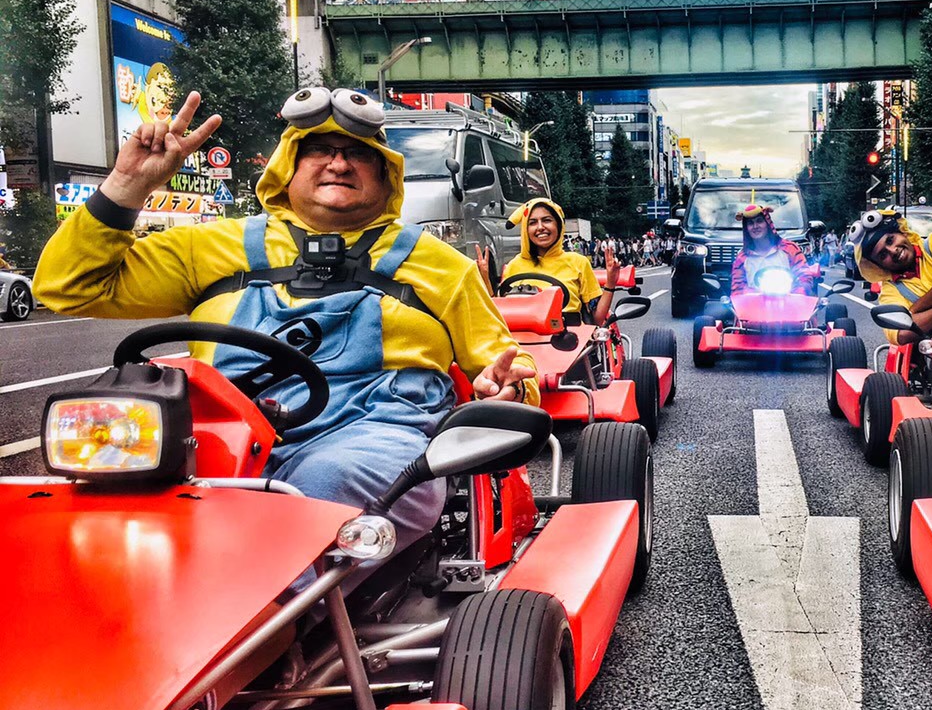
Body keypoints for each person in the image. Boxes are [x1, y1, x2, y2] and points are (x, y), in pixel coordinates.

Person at [34, 87, 538, 554]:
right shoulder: (207, 246)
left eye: (359, 153)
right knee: (98, 493)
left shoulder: (443, 266)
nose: (339, 163)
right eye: (319, 149)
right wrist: (127, 184)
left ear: (387, 174)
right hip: (215, 438)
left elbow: (504, 373)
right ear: (286, 168)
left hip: (375, 435)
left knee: (322, 487)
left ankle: (256, 634)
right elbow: (68, 288)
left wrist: (505, 387)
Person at [852, 207, 932, 342]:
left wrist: (914, 311)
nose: (893, 251)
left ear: (902, 233)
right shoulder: (890, 291)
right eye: (883, 255)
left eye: (890, 240)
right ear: (878, 266)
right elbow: (902, 334)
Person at [488, 198, 621, 324]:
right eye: (532, 222)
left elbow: (596, 319)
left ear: (559, 225)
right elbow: (500, 317)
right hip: (521, 344)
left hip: (572, 343)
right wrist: (485, 281)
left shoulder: (578, 262)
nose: (540, 227)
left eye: (546, 220)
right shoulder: (514, 265)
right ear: (525, 230)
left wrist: (610, 282)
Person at [731, 203, 815, 294]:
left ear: (767, 223)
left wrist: (798, 293)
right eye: (751, 223)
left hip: (790, 305)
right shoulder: (742, 257)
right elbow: (737, 289)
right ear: (746, 228)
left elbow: (804, 277)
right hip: (754, 306)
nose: (755, 226)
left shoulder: (790, 249)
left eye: (759, 221)